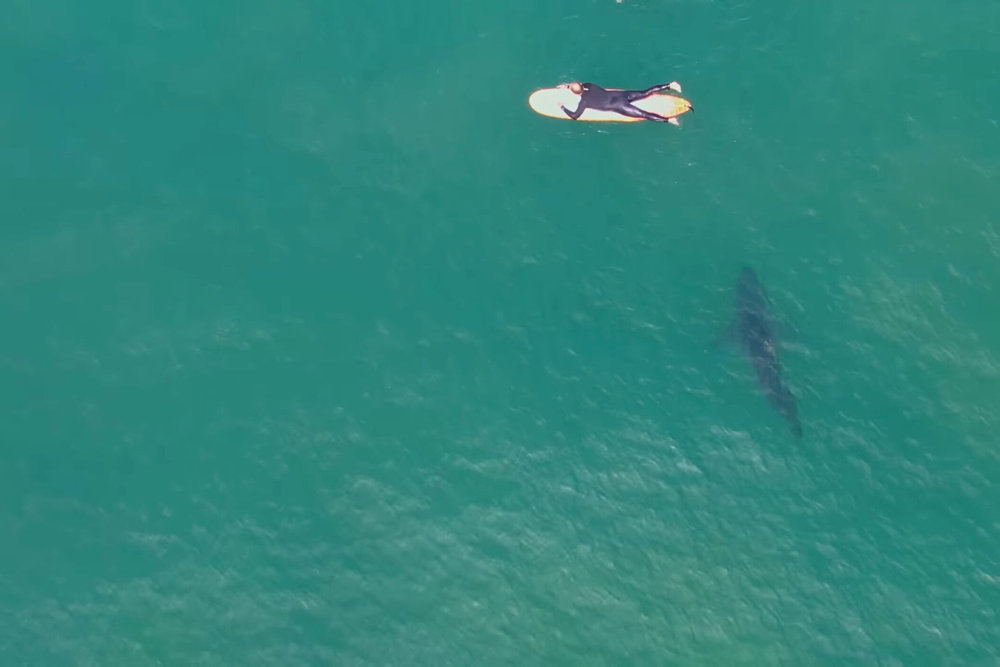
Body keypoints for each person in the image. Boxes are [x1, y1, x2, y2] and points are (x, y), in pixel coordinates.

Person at [558, 81, 683, 122]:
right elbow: (578, 85)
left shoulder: (584, 102)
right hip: (620, 95)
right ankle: (670, 85)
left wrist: (562, 107)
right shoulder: (589, 85)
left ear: (573, 92)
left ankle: (669, 120)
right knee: (645, 92)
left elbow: (575, 116)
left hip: (618, 105)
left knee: (644, 114)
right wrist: (568, 85)